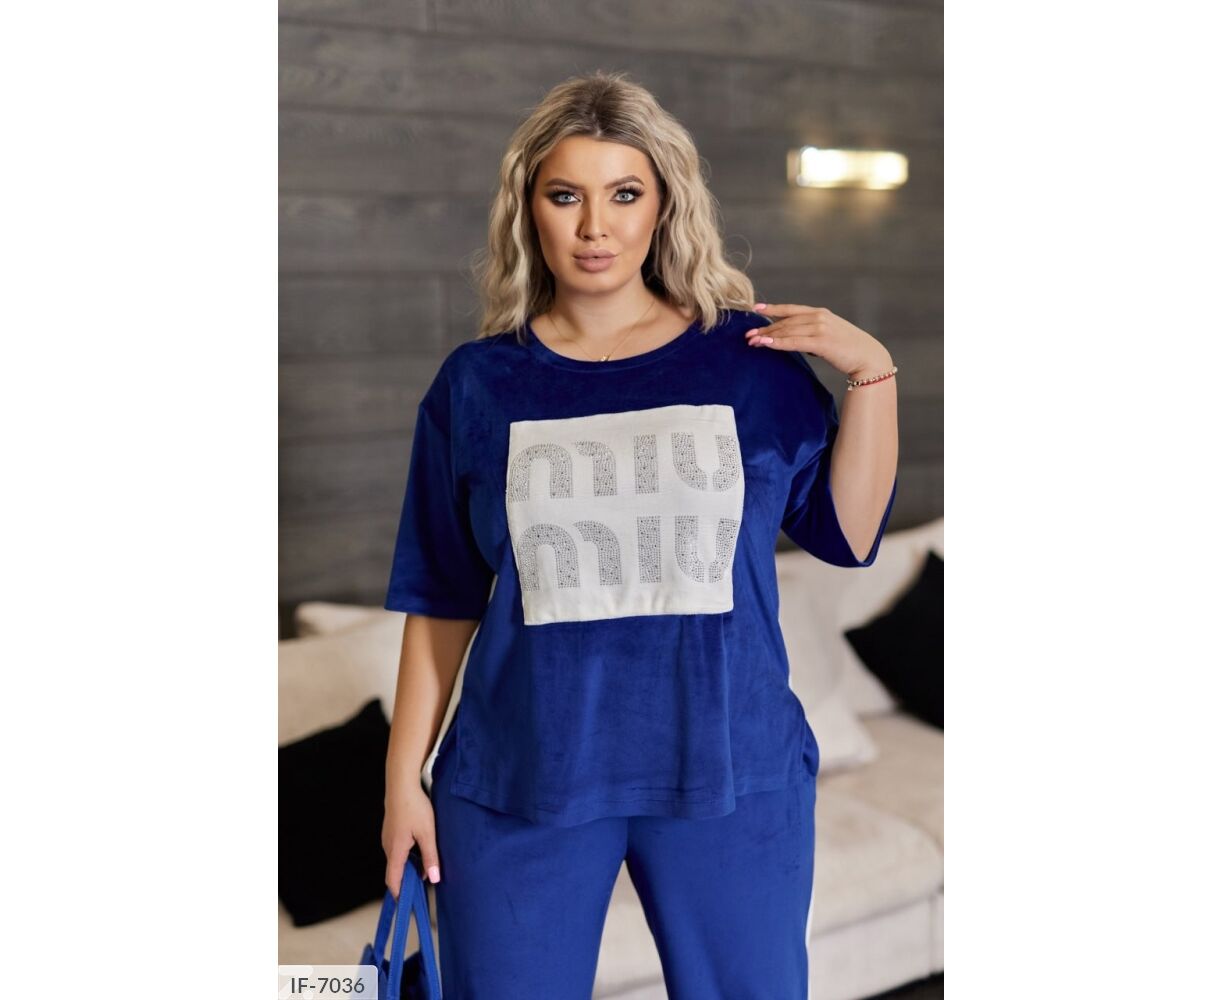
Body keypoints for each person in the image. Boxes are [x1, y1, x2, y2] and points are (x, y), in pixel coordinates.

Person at [380, 70, 899, 999]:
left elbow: (847, 535)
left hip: (732, 769)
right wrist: (400, 781)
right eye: (565, 195)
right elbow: (442, 596)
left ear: (663, 207)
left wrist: (873, 374)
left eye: (624, 194)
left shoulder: (749, 363)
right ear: (527, 209)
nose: (595, 226)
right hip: (517, 777)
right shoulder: (478, 384)